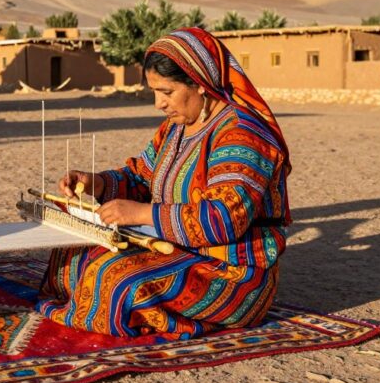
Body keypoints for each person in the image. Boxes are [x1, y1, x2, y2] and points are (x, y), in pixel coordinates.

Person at [38, 27, 291, 339]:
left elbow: (224, 219)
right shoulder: (175, 128)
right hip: (177, 248)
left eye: (167, 92)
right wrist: (99, 184)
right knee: (74, 256)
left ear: (200, 85)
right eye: (154, 92)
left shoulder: (241, 134)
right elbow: (139, 176)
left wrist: (140, 215)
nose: (159, 103)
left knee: (114, 277)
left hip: (230, 271)